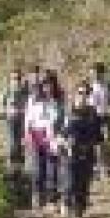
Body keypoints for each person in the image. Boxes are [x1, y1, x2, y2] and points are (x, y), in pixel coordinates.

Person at [60, 83, 100, 218]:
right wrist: (66, 144)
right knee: (71, 183)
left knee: (84, 185)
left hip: (87, 153)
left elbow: (97, 136)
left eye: (86, 94)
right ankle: (65, 201)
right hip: (70, 153)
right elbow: (60, 134)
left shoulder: (93, 113)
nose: (83, 96)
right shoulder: (68, 112)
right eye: (80, 93)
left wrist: (94, 148)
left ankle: (79, 214)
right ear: (75, 94)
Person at [25, 82, 57, 209]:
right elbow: (28, 122)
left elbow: (54, 121)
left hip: (49, 136)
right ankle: (37, 195)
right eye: (35, 91)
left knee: (50, 168)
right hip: (36, 136)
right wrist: (28, 136)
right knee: (38, 167)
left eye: (39, 91)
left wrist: (52, 137)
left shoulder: (51, 104)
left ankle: (50, 198)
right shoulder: (32, 105)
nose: (37, 93)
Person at [43, 71, 66, 210]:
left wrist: (61, 134)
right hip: (43, 136)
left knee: (59, 167)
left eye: (49, 84)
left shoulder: (60, 99)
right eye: (45, 84)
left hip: (57, 136)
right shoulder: (39, 99)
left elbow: (64, 117)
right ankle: (51, 199)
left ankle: (61, 198)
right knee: (49, 168)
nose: (47, 87)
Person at [88, 62, 110, 180]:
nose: (95, 76)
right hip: (94, 117)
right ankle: (100, 169)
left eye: (97, 73)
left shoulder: (108, 86)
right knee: (98, 144)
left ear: (102, 73)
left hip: (106, 116)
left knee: (107, 141)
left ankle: (105, 167)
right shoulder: (89, 87)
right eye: (92, 74)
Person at [0, 68, 28, 166]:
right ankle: (11, 163)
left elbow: (28, 103)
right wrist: (5, 112)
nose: (16, 80)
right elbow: (2, 103)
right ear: (10, 79)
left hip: (22, 118)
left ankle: (20, 163)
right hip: (10, 118)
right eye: (14, 78)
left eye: (18, 78)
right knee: (11, 141)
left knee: (20, 141)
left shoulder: (25, 90)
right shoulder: (7, 89)